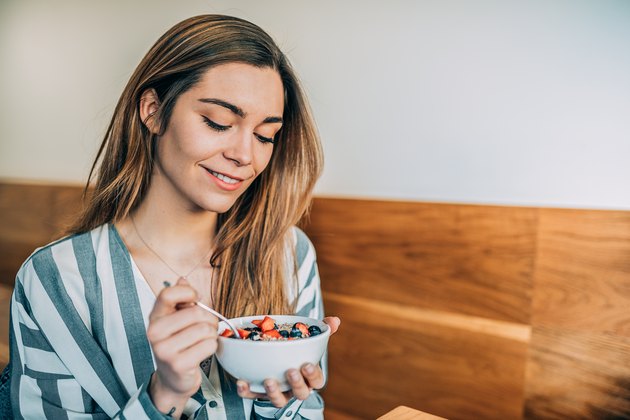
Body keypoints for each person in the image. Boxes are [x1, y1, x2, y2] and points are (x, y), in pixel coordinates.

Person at [4, 14, 340, 419]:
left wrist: (279, 398)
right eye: (218, 123)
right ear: (153, 111)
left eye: (265, 135)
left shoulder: (288, 253)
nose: (246, 156)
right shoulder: (58, 279)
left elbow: (309, 410)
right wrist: (164, 394)